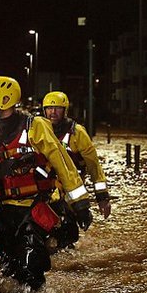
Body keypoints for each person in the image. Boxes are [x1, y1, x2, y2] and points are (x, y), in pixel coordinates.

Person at [0, 76, 92, 289]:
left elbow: (63, 164)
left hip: (34, 207)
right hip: (2, 213)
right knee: (9, 269)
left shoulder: (36, 127)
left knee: (31, 265)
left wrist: (80, 203)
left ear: (5, 100)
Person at [42, 91, 112, 250]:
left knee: (67, 229)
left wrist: (102, 197)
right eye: (49, 108)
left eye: (57, 108)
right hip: (44, 188)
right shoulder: (39, 130)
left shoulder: (77, 133)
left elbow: (94, 165)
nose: (53, 112)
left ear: (65, 110)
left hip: (71, 189)